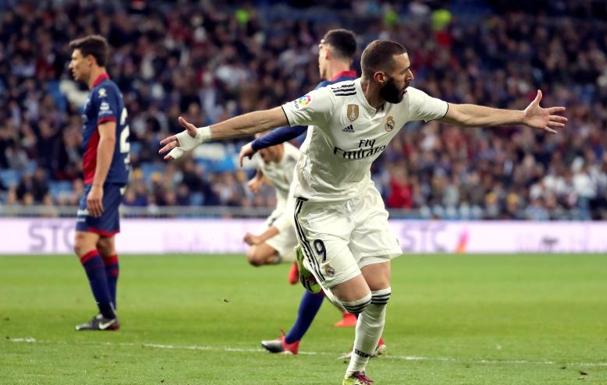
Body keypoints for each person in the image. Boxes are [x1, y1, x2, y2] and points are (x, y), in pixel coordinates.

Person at [159, 39, 566, 385]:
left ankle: (356, 373)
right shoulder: (330, 101)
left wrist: (520, 116)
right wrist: (205, 135)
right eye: (404, 72)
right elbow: (268, 118)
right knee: (358, 301)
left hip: (361, 199)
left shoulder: (408, 101)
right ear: (379, 78)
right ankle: (314, 268)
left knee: (381, 295)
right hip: (317, 207)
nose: (412, 77)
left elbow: (461, 113)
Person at [241, 29, 364, 355]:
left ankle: (366, 339)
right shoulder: (365, 90)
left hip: (323, 195)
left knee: (336, 272)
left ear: (325, 52)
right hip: (355, 190)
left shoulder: (328, 89)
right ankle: (294, 339)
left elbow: (294, 124)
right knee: (329, 271)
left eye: (319, 50)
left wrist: (257, 142)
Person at [68, 35, 130, 331]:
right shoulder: (104, 92)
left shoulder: (104, 91)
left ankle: (107, 314)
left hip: (104, 179)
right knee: (105, 244)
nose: (72, 65)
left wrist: (97, 185)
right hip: (111, 178)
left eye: (75, 59)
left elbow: (108, 138)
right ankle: (110, 314)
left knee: (82, 242)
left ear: (90, 60)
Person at [243, 140, 300, 266]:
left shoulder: (296, 160)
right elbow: (262, 167)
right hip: (282, 210)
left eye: (262, 148)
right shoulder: (263, 155)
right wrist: (258, 179)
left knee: (321, 271)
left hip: (303, 213)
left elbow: (291, 214)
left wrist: (261, 238)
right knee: (254, 257)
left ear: (276, 143)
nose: (259, 152)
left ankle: (304, 258)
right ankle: (297, 257)